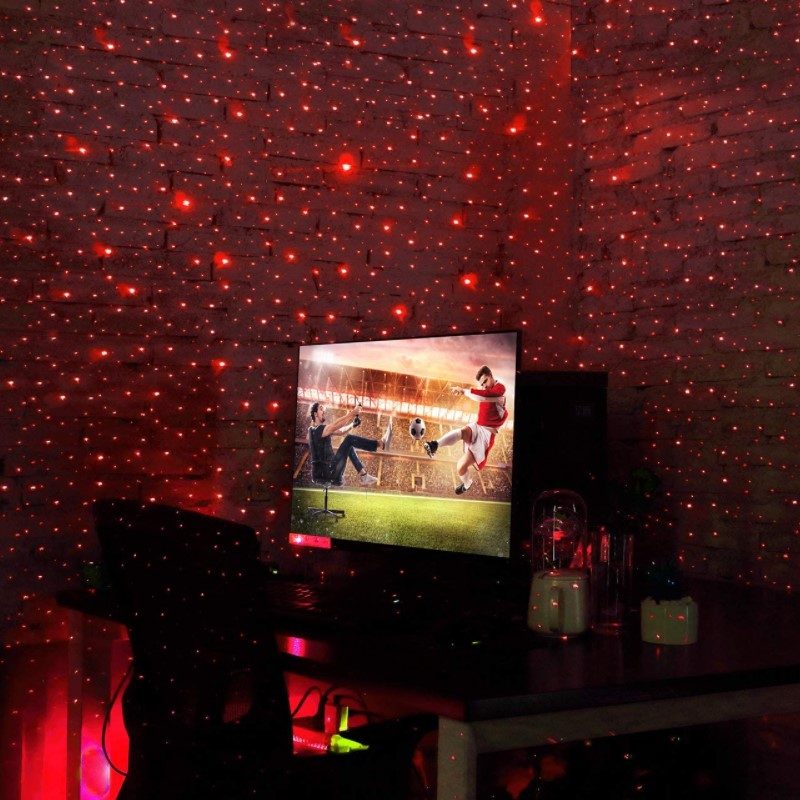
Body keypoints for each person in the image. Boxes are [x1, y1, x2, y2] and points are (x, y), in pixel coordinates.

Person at [423, 365, 507, 495]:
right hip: (477, 426)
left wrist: (463, 391)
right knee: (461, 432)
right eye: (481, 384)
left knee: (460, 466)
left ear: (491, 375)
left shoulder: (499, 389)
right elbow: (483, 395)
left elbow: (485, 397)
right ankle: (435, 445)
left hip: (486, 435)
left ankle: (467, 484)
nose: (484, 386)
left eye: (485, 381)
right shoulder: (487, 390)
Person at [308, 401, 393, 487]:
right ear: (315, 414)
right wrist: (353, 413)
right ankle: (381, 444)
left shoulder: (317, 431)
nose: (324, 411)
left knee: (349, 445)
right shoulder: (317, 430)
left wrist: (352, 425)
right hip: (327, 472)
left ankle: (364, 476)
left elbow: (340, 431)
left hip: (328, 470)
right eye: (321, 409)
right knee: (349, 439)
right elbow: (335, 425)